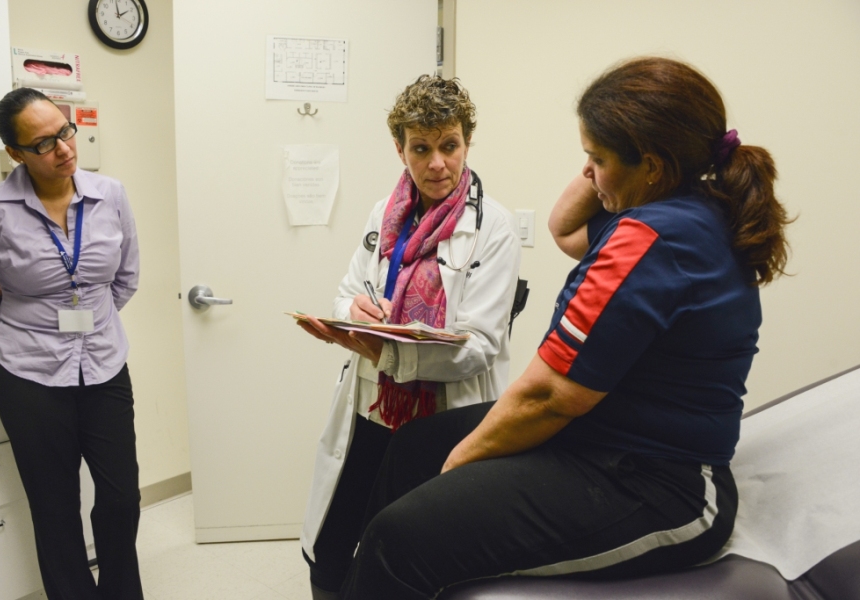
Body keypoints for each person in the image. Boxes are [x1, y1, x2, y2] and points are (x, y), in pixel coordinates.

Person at [336, 57, 792, 599]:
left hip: (660, 485)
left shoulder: (652, 240)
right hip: (600, 439)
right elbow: (564, 227)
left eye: (595, 159)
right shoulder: (673, 207)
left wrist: (458, 467)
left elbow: (550, 394)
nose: (589, 173)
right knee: (413, 447)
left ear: (649, 165)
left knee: (399, 537)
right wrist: (609, 155)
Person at [296, 75, 521, 600]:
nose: (437, 163)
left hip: (441, 420)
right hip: (370, 408)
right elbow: (348, 291)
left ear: (467, 141)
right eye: (421, 148)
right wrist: (349, 310)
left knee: (407, 556)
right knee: (330, 552)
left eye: (449, 146)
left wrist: (390, 351)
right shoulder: (385, 213)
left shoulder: (494, 228)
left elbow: (480, 346)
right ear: (400, 148)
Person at [0, 88, 143, 600]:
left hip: (105, 367)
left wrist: (93, 325)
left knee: (121, 499)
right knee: (54, 506)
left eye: (65, 130)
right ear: (15, 154)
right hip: (29, 378)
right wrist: (10, 334)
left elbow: (124, 281)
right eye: (43, 143)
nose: (64, 148)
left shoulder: (111, 194)